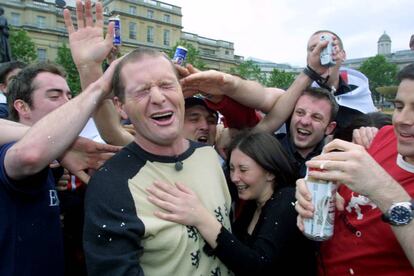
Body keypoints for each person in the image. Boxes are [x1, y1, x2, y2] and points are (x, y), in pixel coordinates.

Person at [0, 59, 119, 275]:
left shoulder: (55, 162)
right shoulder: (9, 150)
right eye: (54, 96)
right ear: (22, 107)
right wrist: (101, 84)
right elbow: (28, 156)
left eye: (69, 96)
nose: (67, 103)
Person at [295, 63, 414, 274]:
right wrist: (309, 192)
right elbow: (334, 186)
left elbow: (379, 187)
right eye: (399, 106)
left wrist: (384, 191)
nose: (403, 120)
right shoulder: (383, 136)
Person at [147, 131, 316, 275]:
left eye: (243, 169)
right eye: (232, 168)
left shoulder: (287, 200)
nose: (235, 178)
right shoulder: (253, 203)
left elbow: (257, 266)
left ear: (270, 172)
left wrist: (201, 218)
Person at [307, 30, 377, 128]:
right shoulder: (299, 94)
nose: (322, 56)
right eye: (314, 49)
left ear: (343, 55)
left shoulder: (360, 91)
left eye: (329, 48)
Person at [275, 87, 338, 177]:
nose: (305, 122)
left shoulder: (336, 162)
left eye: (316, 117)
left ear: (329, 128)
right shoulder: (268, 150)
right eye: (300, 112)